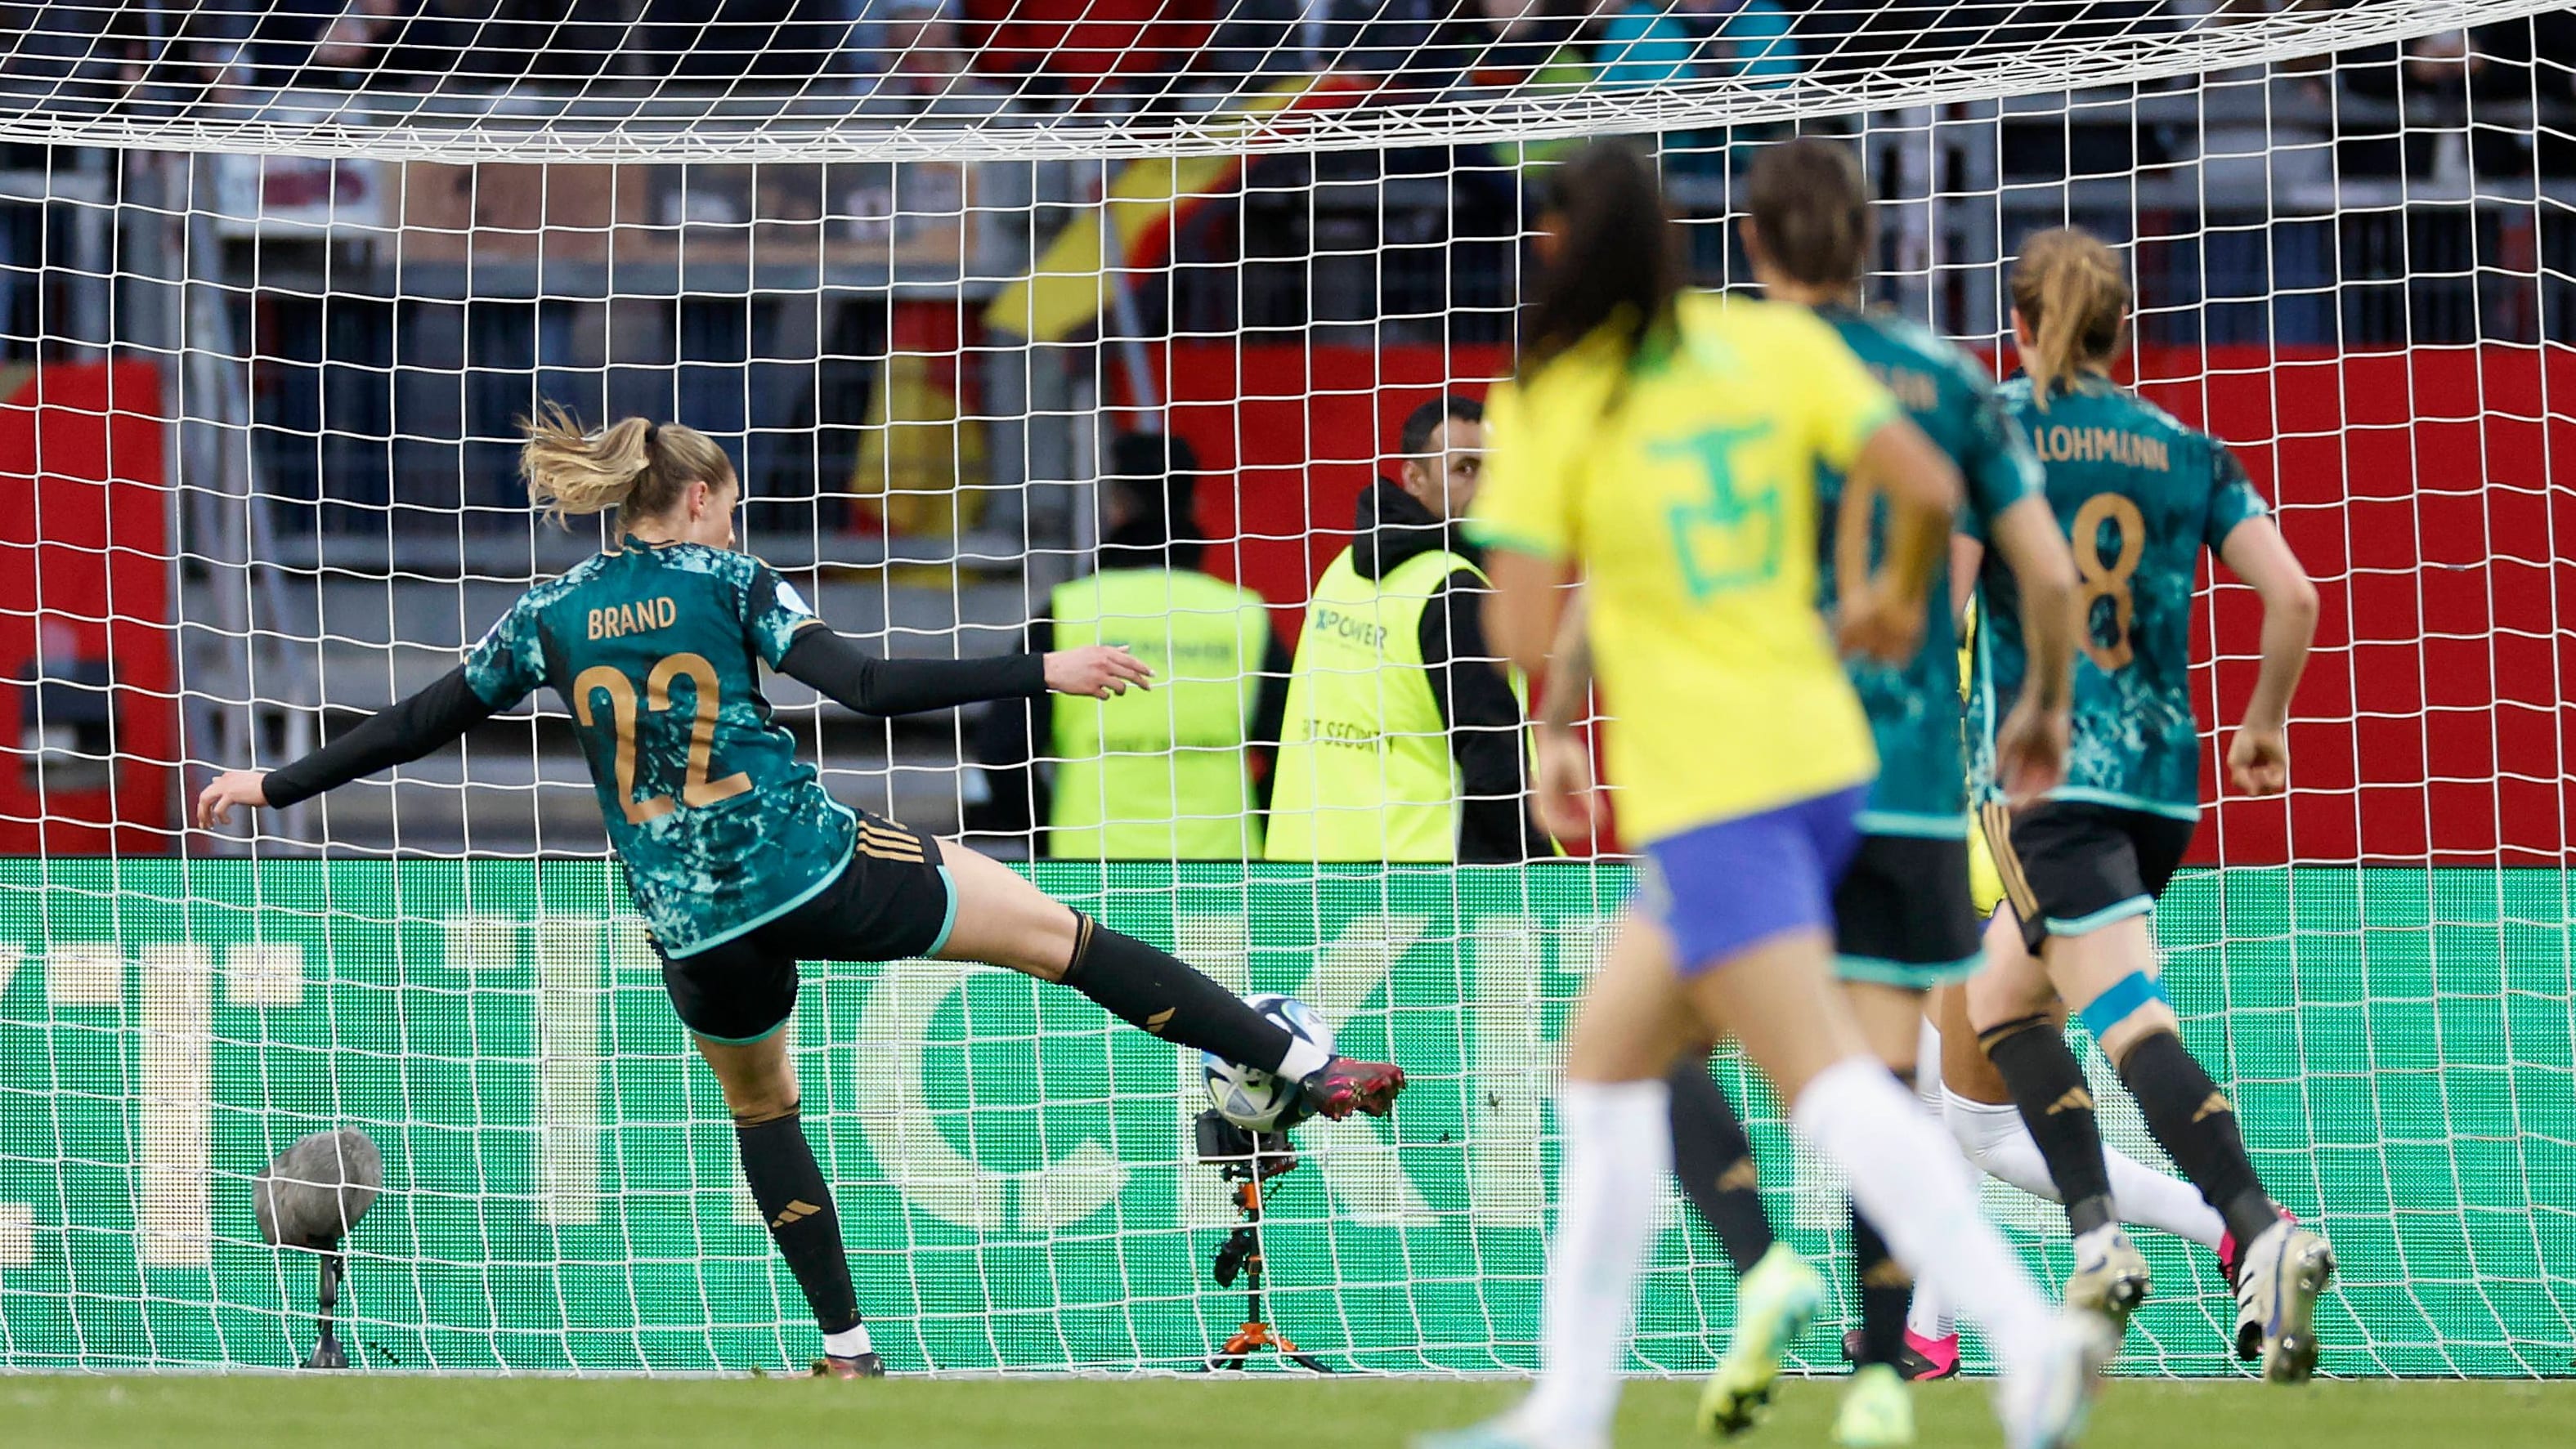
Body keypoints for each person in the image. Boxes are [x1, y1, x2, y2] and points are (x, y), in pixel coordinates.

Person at [195, 409, 1407, 1378]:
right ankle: (1305, 1068)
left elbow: (419, 722)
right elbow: (867, 686)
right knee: (1065, 940)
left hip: (689, 919)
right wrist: (1042, 662)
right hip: (809, 864)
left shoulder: (547, 616)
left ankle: (846, 1351)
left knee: (764, 1114)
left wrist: (274, 779)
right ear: (706, 498)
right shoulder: (729, 580)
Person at [1419, 140, 2106, 1449]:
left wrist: (1561, 699)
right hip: (1823, 757)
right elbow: (1919, 483)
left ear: (1562, 243)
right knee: (1605, 1064)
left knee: (1829, 1082)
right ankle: (1565, 1410)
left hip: (1710, 778)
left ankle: (2026, 1342)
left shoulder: (1555, 399)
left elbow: (1511, 626)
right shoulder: (1774, 350)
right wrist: (1896, 595)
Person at [1632, 136, 2085, 1449]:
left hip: (1757, 764)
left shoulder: (1725, 364)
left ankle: (1766, 1268)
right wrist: (2040, 708)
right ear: (1870, 235)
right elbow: (2041, 577)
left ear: (1755, 241)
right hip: (1902, 788)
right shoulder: (1944, 381)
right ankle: (1886, 1374)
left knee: (1652, 1038)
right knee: (1884, 1085)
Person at [1958, 226, 2332, 1383]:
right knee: (2005, 1009)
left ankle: (2256, 1224)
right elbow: (2291, 594)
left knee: (2122, 1020)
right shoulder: (2186, 447)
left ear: (2014, 326)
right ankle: (2094, 1236)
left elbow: (1949, 599)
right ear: (2123, 329)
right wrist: (2260, 723)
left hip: (2042, 780)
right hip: (2159, 790)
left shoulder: (1994, 435)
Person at [971, 432, 1290, 860]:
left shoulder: (1071, 611)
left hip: (1090, 871)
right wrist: (1261, 824)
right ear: (1193, 507)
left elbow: (1001, 750)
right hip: (1226, 873)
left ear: (1116, 505)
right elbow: (1294, 753)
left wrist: (1047, 833)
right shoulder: (1243, 615)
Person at [1266, 395, 1548, 864]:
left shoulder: (1341, 572)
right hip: (1419, 887)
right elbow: (1495, 767)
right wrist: (1545, 874)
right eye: (1466, 469)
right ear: (1414, 478)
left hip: (1307, 870)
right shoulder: (1453, 591)